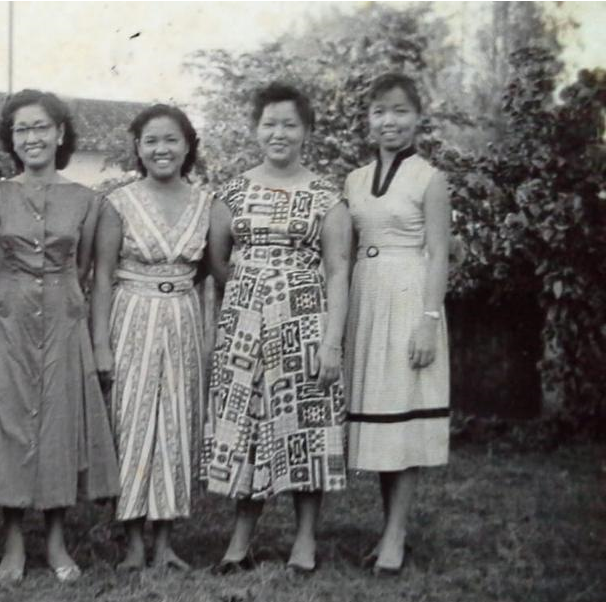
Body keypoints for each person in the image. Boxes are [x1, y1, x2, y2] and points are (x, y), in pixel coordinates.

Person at [0, 89, 119, 584]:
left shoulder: (86, 200)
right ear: (12, 140)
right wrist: (4, 303)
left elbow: (84, 270)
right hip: (9, 321)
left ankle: (56, 542)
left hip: (62, 318)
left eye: (40, 128)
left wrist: (78, 318)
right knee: (8, 425)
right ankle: (12, 544)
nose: (31, 138)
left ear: (59, 134)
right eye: (21, 130)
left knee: (58, 426)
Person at [203, 83, 351, 575]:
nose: (278, 133)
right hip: (244, 327)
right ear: (255, 129)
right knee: (246, 427)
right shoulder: (232, 192)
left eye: (289, 124)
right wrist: (254, 295)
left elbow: (337, 271)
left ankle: (304, 541)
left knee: (305, 427)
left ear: (306, 131)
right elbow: (218, 261)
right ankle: (240, 541)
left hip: (305, 323)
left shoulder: (326, 197)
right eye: (269, 123)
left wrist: (331, 341)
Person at [91, 104, 209, 572]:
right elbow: (101, 278)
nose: (161, 149)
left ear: (187, 145)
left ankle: (166, 542)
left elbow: (205, 272)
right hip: (131, 314)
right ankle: (134, 541)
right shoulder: (119, 202)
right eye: (150, 141)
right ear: (138, 148)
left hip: (182, 317)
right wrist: (101, 343)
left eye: (171, 140)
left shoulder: (207, 202)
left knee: (176, 425)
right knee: (132, 422)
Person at [343, 72, 451, 576]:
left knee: (403, 419)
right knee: (381, 421)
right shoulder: (354, 179)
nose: (390, 121)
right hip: (368, 297)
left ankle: (396, 534)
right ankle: (389, 530)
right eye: (380, 112)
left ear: (417, 117)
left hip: (410, 300)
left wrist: (429, 320)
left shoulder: (430, 179)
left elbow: (438, 254)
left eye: (400, 111)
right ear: (369, 121)